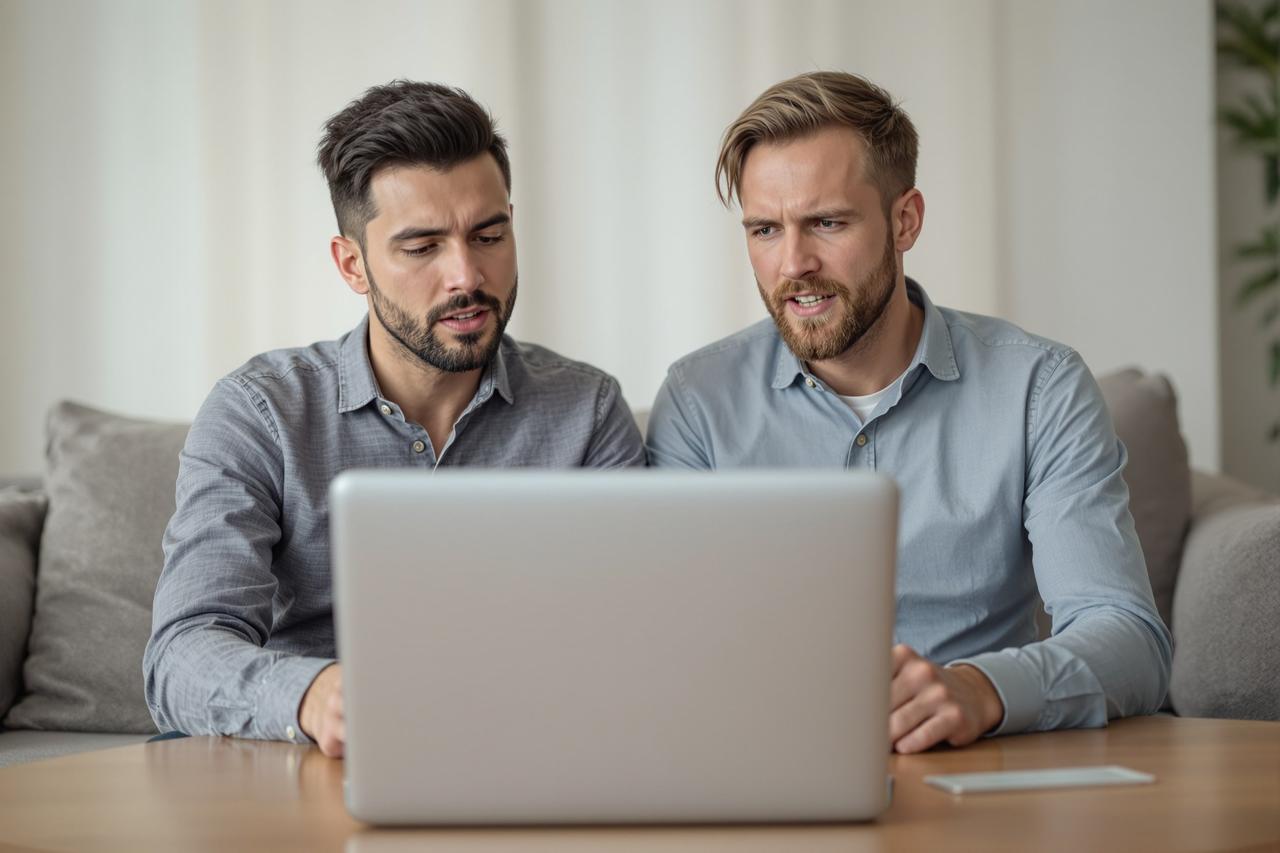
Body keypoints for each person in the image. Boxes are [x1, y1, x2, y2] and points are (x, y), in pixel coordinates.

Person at [646, 71, 1171, 754]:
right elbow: (667, 647)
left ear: (905, 220)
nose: (793, 263)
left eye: (827, 223)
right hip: (767, 761)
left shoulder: (1038, 387)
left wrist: (980, 690)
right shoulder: (697, 401)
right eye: (765, 229)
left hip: (978, 764)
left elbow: (1129, 639)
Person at [144, 81, 645, 758]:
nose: (467, 275)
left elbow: (631, 636)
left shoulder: (588, 411)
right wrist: (314, 695)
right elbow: (181, 653)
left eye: (489, 235)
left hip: (530, 749)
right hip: (313, 759)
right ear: (353, 264)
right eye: (422, 247)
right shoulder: (260, 412)